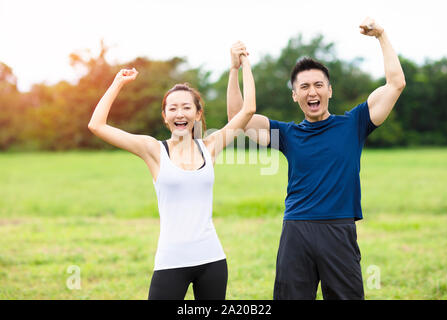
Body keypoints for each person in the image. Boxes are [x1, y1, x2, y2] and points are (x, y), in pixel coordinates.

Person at [227, 18, 406, 300]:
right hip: (296, 229)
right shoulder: (286, 133)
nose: (313, 91)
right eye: (305, 87)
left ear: (329, 90)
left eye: (319, 85)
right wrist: (235, 69)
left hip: (339, 229)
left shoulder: (355, 123)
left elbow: (396, 83)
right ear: (295, 95)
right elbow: (238, 119)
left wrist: (381, 36)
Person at [88, 51, 256, 300]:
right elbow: (97, 125)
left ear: (197, 114)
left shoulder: (210, 146)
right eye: (173, 108)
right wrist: (117, 83)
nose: (180, 114)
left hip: (212, 259)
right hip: (171, 262)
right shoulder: (153, 150)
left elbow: (248, 109)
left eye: (187, 107)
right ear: (165, 116)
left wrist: (241, 65)